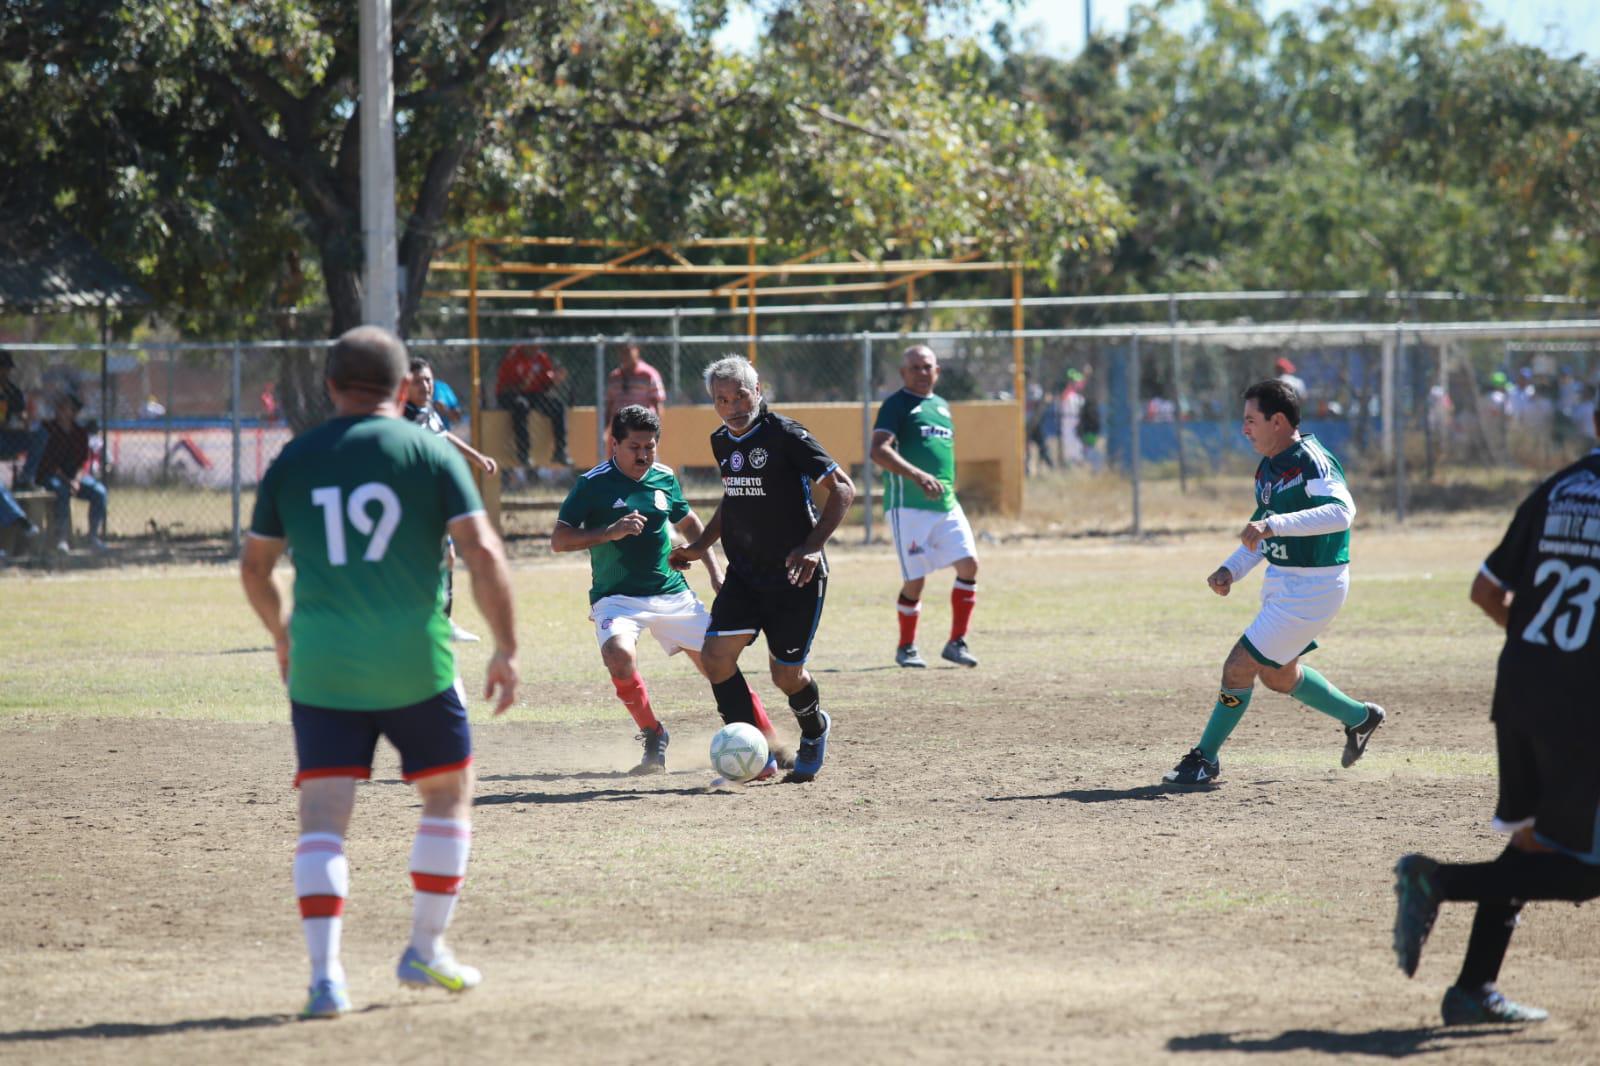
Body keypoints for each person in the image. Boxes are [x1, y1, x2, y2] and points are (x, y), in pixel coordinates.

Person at [239, 325, 520, 1020]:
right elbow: (482, 552)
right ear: (403, 389)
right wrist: (506, 647)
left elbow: (254, 567)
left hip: (323, 664)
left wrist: (281, 635)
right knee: (449, 795)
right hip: (415, 661)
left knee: (324, 818)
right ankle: (425, 948)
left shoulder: (295, 457)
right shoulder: (427, 451)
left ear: (329, 387)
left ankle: (325, 978)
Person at [1391, 405, 1600, 1026]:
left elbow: (1487, 592)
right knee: (1585, 872)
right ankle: (1438, 882)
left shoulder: (1558, 488)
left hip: (1520, 689)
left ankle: (1471, 989)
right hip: (1580, 707)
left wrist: (1544, 646)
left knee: (1532, 841)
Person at [1163, 379, 1384, 785]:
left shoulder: (1312, 461)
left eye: (1251, 420)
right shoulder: (1269, 467)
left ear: (1277, 421)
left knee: (1238, 667)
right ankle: (1360, 716)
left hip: (1314, 586)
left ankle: (1204, 759)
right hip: (1285, 582)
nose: (1244, 429)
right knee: (1279, 676)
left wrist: (1272, 524)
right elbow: (1259, 536)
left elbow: (1341, 512)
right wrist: (1231, 569)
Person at [552, 404, 787, 776]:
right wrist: (608, 532)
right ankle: (653, 734)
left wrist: (714, 568)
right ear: (614, 444)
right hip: (617, 598)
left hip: (672, 593)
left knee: (719, 663)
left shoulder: (664, 477)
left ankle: (769, 742)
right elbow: (560, 539)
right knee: (618, 655)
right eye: (634, 447)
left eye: (650, 447)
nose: (643, 455)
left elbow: (690, 523)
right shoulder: (591, 484)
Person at [669, 355, 856, 785]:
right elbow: (733, 498)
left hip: (796, 576)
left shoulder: (786, 435)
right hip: (745, 575)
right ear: (713, 403)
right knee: (716, 659)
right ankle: (757, 758)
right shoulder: (721, 441)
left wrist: (812, 547)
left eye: (740, 395)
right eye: (722, 399)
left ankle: (814, 730)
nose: (733, 406)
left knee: (785, 676)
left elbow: (843, 487)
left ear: (758, 392)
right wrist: (700, 546)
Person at [870, 345, 980, 670]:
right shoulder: (897, 405)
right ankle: (906, 647)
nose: (921, 372)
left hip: (946, 504)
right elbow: (878, 450)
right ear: (903, 373)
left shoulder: (942, 407)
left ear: (937, 371)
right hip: (908, 507)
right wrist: (918, 475)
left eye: (927, 366)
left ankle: (956, 642)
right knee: (915, 581)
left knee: (969, 565)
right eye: (914, 367)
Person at [406, 356, 498, 643]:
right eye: (419, 381)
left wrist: (478, 458)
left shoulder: (427, 411)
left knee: (446, 556)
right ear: (405, 385)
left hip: (433, 501)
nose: (426, 386)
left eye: (429, 380)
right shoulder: (401, 418)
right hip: (412, 505)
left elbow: (444, 436)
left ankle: (442, 622)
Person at [36, 393, 108, 553]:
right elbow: (47, 463)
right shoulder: (47, 429)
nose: (62, 410)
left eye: (67, 407)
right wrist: (67, 481)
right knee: (61, 491)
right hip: (51, 476)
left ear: (74, 412)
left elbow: (83, 462)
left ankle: (93, 538)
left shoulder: (80, 433)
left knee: (100, 492)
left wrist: (76, 480)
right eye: (60, 406)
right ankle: (62, 539)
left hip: (73, 477)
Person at [495, 343, 571, 468]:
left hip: (532, 394)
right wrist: (521, 387)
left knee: (557, 406)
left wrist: (555, 380)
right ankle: (523, 454)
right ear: (524, 345)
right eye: (531, 346)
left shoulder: (541, 357)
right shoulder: (513, 357)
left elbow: (545, 386)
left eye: (537, 346)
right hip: (510, 395)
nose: (535, 350)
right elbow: (503, 388)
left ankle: (560, 451)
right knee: (521, 406)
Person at [0, 349, 46, 488]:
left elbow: (21, 415)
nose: (5, 372)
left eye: (7, 369)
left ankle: (25, 478)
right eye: (2, 368)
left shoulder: (13, 391)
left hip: (9, 437)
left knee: (41, 435)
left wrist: (26, 419)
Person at [604, 338, 666, 425]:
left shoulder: (649, 374)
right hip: (621, 430)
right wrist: (605, 430)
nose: (625, 355)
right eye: (622, 351)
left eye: (628, 351)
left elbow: (658, 404)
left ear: (637, 351)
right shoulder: (614, 377)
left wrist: (656, 429)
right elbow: (609, 405)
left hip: (642, 428)